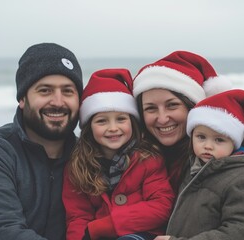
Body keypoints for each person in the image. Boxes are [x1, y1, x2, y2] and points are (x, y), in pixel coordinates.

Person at [132, 51, 244, 240]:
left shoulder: (232, 160)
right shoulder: (145, 157)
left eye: (172, 105)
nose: (162, 118)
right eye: (151, 108)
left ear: (193, 108)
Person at [0, 43, 83, 240]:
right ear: (22, 98)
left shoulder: (88, 157)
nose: (58, 102)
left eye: (68, 91)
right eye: (45, 90)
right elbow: (1, 232)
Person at [62, 68, 175, 240]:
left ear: (132, 122)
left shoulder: (148, 159)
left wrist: (106, 226)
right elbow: (78, 216)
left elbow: (162, 206)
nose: (113, 128)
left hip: (142, 234)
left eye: (121, 119)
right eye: (102, 121)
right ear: (89, 128)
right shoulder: (77, 166)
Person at [157, 89, 244, 239]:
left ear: (234, 143)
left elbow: (237, 232)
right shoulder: (194, 166)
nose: (208, 146)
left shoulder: (243, 179)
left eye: (219, 140)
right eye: (201, 137)